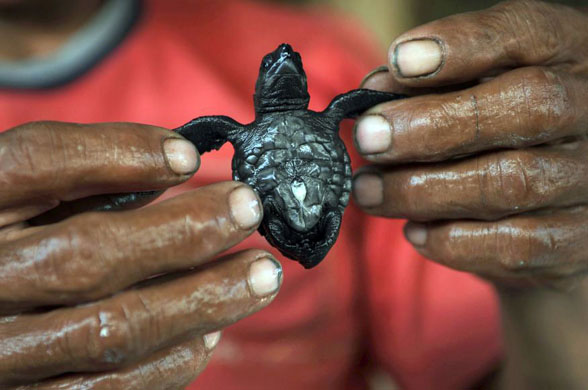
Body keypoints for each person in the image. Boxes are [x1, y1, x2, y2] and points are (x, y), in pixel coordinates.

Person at [0, 0, 587, 389]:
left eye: (288, 69)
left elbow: (488, 369)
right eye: (279, 69)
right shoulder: (326, 113)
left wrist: (548, 271)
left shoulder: (334, 67)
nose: (286, 67)